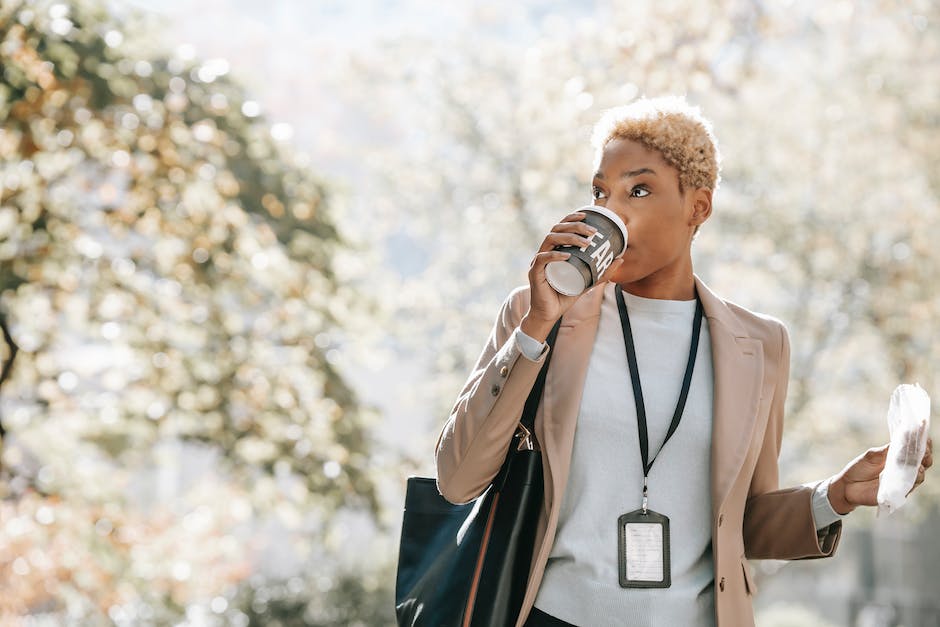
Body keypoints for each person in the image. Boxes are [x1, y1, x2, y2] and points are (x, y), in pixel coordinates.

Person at [434, 96, 933, 627]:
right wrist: (535, 326)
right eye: (601, 191)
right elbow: (457, 478)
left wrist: (835, 496)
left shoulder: (760, 345)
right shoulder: (540, 316)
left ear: (697, 208)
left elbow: (746, 523)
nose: (612, 209)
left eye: (639, 190)